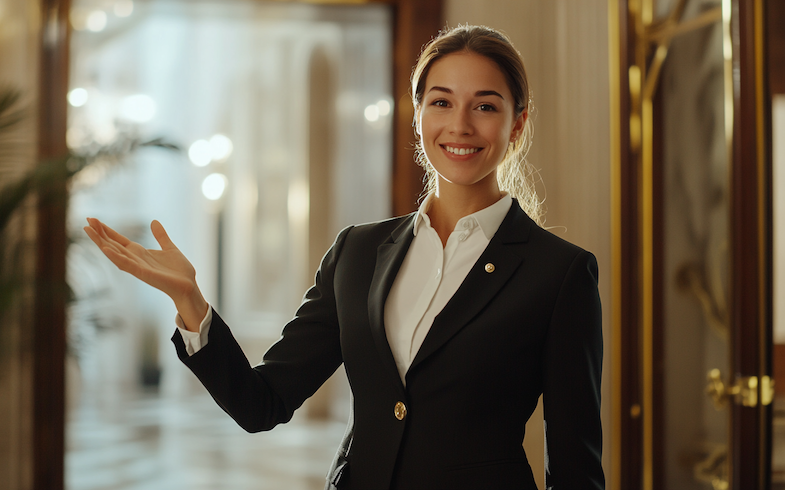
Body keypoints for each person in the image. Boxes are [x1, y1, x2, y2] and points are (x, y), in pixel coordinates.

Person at [84, 24, 604, 490]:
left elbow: (576, 465)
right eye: (441, 102)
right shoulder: (358, 252)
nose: (460, 125)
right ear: (418, 113)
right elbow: (261, 403)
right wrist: (190, 300)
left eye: (485, 106)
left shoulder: (558, 273)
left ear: (516, 124)